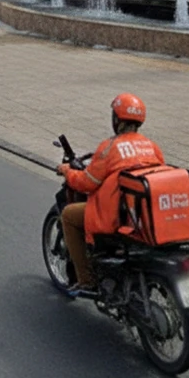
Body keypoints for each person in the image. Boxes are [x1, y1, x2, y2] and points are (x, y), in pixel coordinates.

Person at [58, 93, 165, 295]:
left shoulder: (109, 148)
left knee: (69, 215)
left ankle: (86, 280)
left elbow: (87, 183)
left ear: (116, 120)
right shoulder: (152, 146)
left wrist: (67, 171)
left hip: (115, 215)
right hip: (141, 216)